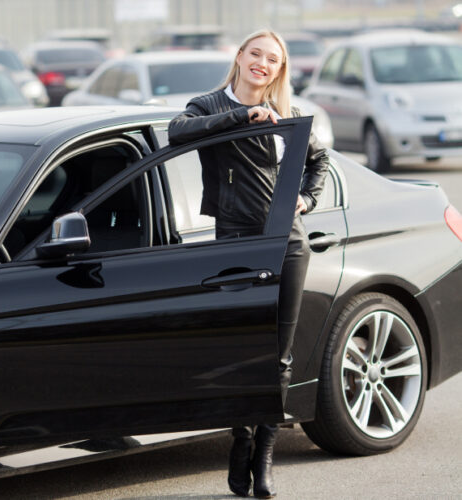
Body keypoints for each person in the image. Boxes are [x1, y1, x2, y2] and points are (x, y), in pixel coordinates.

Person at [167, 29, 329, 498]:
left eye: (272, 59)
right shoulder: (209, 105)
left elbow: (320, 161)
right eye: (255, 53)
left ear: (280, 69)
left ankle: (265, 455)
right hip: (235, 240)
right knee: (240, 350)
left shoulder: (288, 114)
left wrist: (306, 199)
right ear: (239, 57)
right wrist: (241, 116)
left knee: (278, 355)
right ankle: (240, 441)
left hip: (287, 242)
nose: (262, 63)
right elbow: (177, 131)